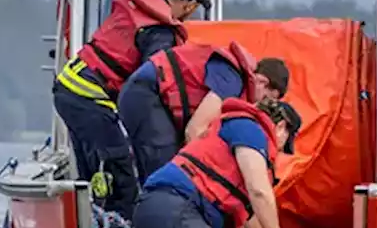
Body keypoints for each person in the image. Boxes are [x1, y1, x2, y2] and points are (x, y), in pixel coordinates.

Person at [105, 98, 299, 228]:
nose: (278, 153)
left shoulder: (237, 137)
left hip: (167, 211)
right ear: (281, 127)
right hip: (172, 205)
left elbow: (252, 223)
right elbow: (259, 191)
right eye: (283, 146)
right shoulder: (250, 130)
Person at [52, 0, 208, 215]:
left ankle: (90, 220)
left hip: (68, 85)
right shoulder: (160, 33)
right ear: (189, 6)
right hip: (89, 95)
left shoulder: (132, 6)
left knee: (91, 170)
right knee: (120, 169)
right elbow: (150, 85)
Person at [118, 41, 291, 179]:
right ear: (262, 81)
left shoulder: (237, 84)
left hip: (150, 95)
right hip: (146, 92)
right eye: (268, 98)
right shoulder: (232, 80)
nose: (261, 106)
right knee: (163, 169)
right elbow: (195, 130)